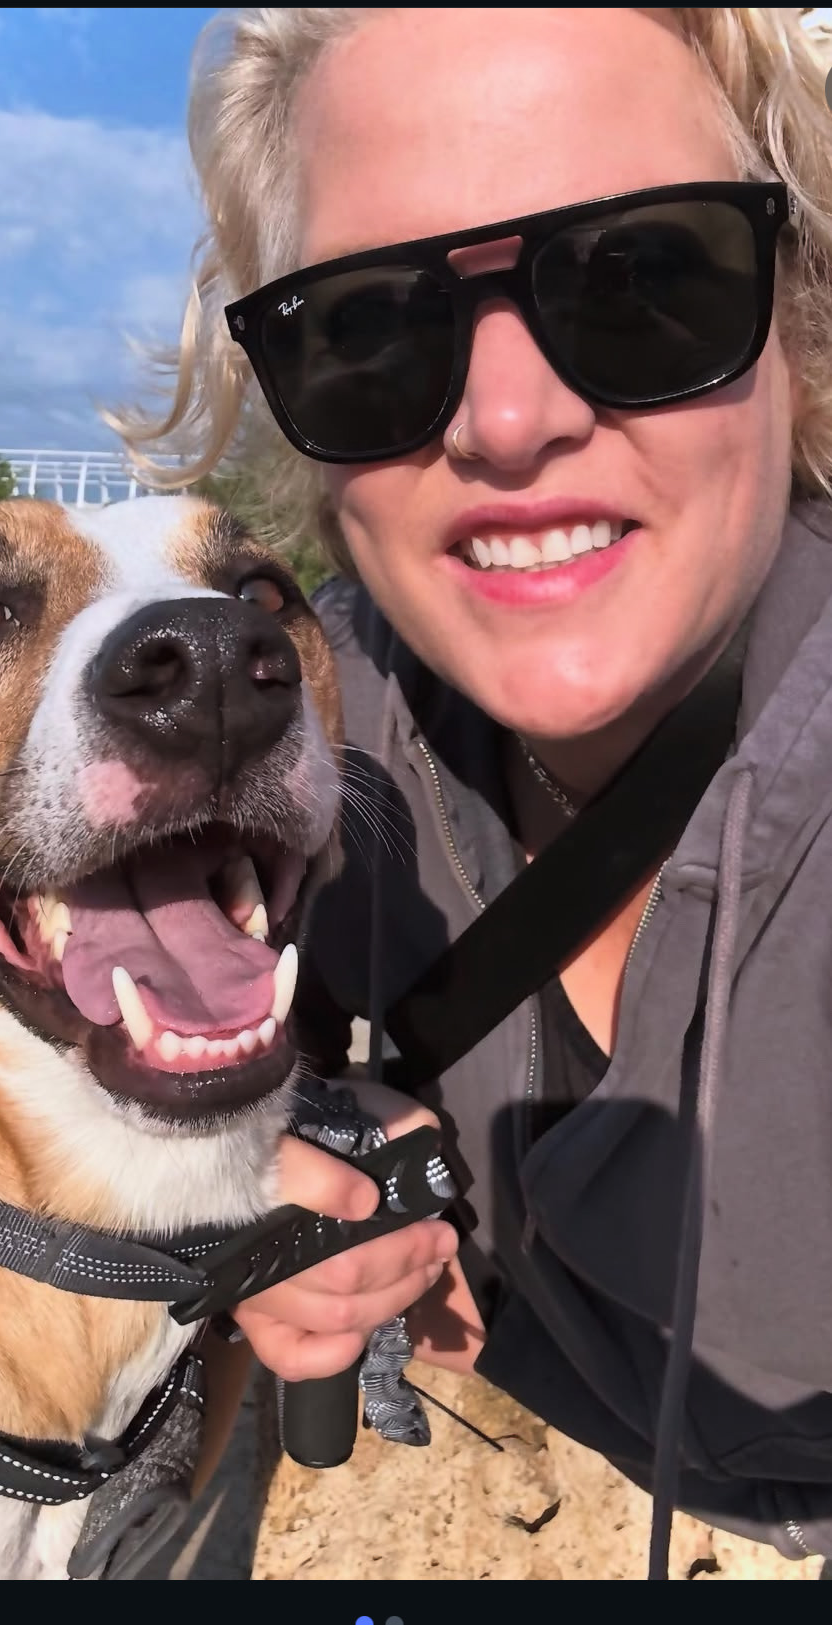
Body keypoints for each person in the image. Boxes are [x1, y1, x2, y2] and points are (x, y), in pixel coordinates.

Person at [120, 6, 832, 1573]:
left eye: (642, 278)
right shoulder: (313, 717)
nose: (508, 424)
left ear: (794, 304)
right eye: (368, 328)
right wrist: (268, 1157)